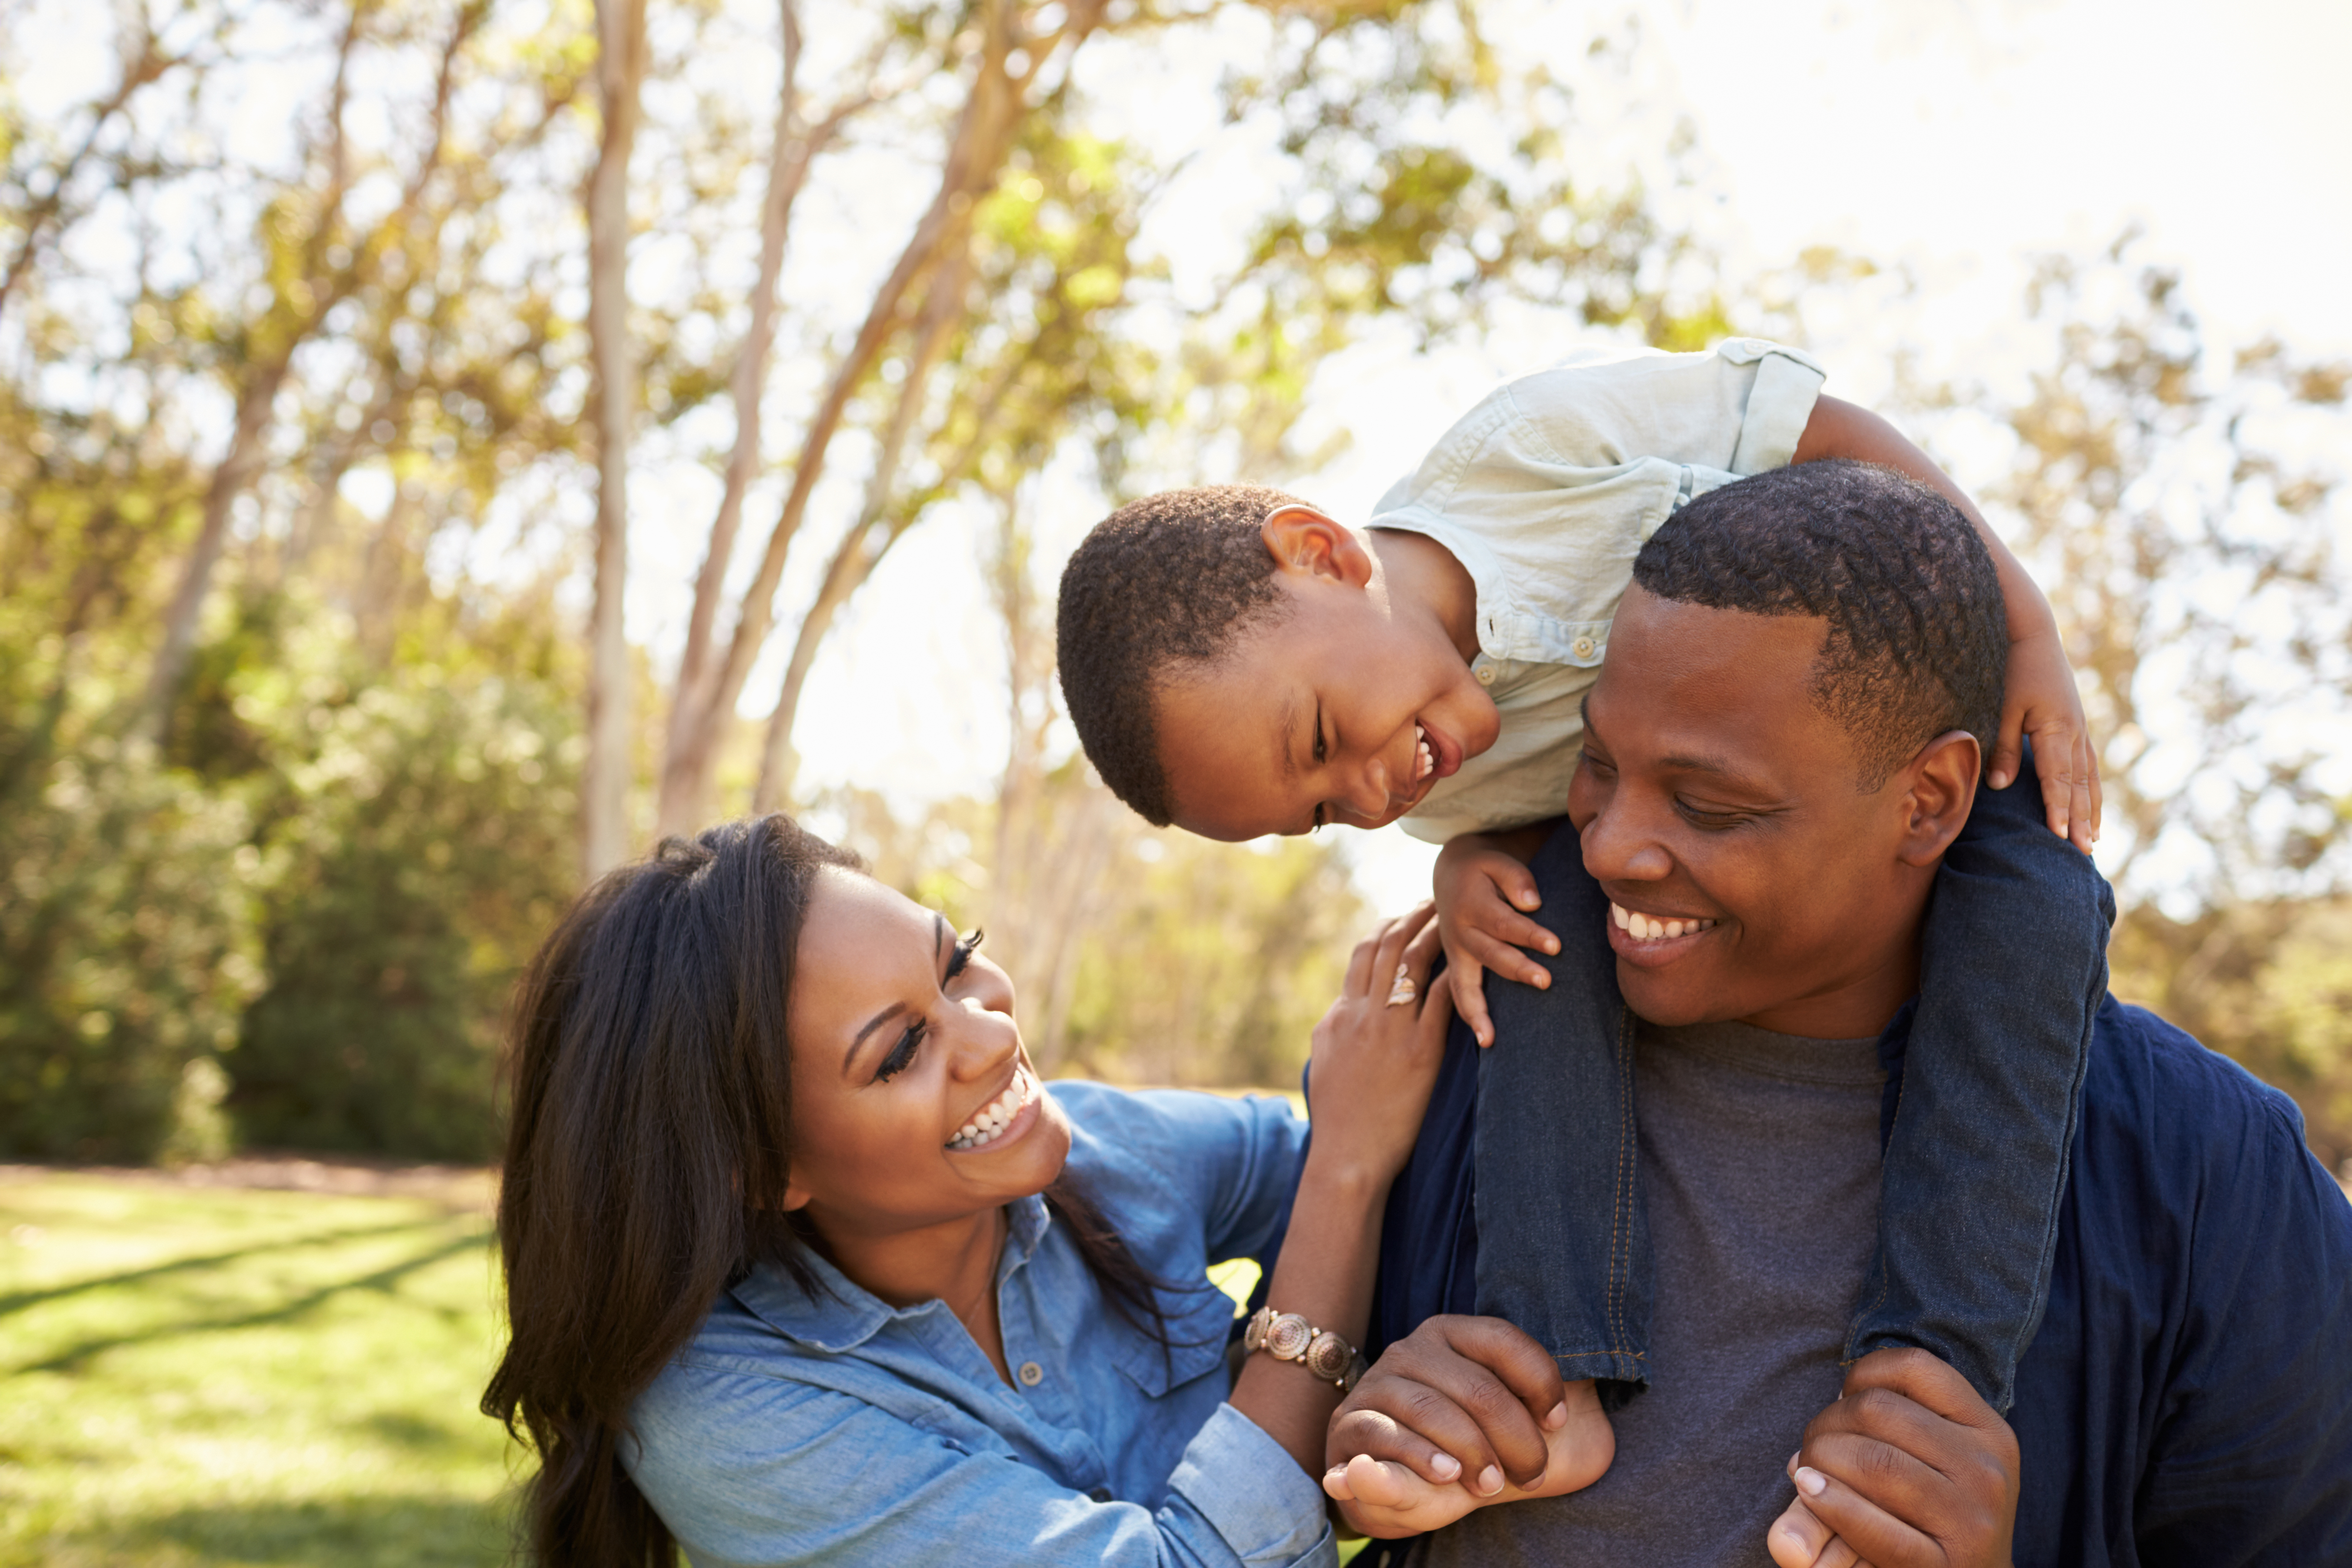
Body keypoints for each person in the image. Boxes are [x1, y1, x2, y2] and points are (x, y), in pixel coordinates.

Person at [1054, 341, 2111, 1438]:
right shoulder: (1424, 789)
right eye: (1319, 811)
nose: (1368, 795)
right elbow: (1520, 823)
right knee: (1528, 946)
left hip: (1895, 736)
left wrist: (2022, 624)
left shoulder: (1528, 453)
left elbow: (1820, 429)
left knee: (2040, 904)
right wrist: (1463, 866)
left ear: (1319, 553)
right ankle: (1555, 1372)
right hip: (1696, 873)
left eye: (1321, 737)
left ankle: (1936, 1372)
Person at [1319, 460, 2352, 1566]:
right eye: (1598, 763)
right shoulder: (1460, 1043)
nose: (1611, 847)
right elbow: (1261, 1452)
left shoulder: (2202, 1174)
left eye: (1711, 805)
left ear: (1932, 800)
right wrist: (1363, 1454)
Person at [479, 813, 1542, 1568]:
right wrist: (1345, 1185)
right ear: (765, 1172)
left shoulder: (1100, 1152)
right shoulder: (732, 1418)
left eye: (957, 965)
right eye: (900, 1051)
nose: (992, 1035)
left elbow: (1409, 1157)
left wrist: (1475, 866)